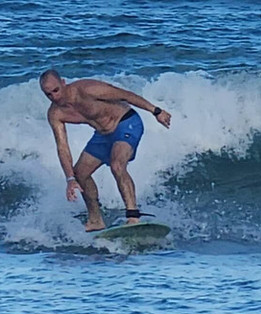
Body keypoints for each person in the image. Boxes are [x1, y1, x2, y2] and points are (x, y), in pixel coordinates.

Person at [40, 69, 172, 231]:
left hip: (126, 122)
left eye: (56, 90)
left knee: (117, 165)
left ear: (63, 83)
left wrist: (155, 111)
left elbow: (125, 95)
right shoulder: (56, 113)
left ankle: (133, 216)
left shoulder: (87, 89)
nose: (54, 97)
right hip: (102, 136)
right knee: (79, 173)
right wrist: (69, 179)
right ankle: (96, 220)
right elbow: (62, 146)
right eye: (49, 95)